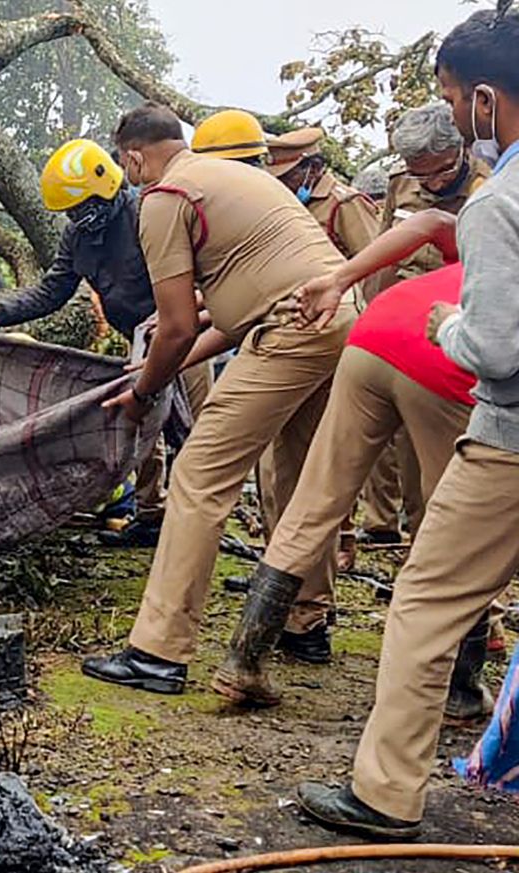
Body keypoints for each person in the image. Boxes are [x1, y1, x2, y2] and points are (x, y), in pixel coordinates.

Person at [294, 8, 519, 838]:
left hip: (507, 442)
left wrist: (444, 327)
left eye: (456, 99)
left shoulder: (500, 204)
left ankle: (385, 793)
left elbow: (496, 348)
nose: (458, 115)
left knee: (425, 600)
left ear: (487, 101)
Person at [80, 103, 355, 694]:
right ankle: (304, 621)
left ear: (132, 156)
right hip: (338, 319)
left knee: (199, 477)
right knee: (298, 473)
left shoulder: (165, 197)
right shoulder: (238, 179)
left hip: (291, 328)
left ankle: (158, 651)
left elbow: (175, 327)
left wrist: (143, 391)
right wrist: (145, 373)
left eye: (127, 167)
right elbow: (231, 316)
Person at [212, 211, 492, 722]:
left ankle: (243, 660)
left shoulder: (491, 228)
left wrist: (342, 279)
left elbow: (429, 222)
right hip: (444, 354)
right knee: (459, 530)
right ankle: (459, 689)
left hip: (374, 332)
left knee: (315, 500)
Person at [0, 139, 212, 547]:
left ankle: (200, 520)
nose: (81, 217)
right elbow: (53, 290)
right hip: (136, 342)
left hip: (186, 332)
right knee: (143, 423)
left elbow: (196, 272)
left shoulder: (147, 214)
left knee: (196, 429)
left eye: (85, 207)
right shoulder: (78, 238)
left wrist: (188, 316)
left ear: (108, 186)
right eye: (73, 212)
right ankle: (152, 514)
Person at [357, 104, 494, 551]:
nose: (432, 185)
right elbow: (385, 253)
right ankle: (403, 537)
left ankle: (441, 552)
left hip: (457, 329)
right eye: (422, 176)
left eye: (440, 173)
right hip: (403, 328)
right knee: (397, 443)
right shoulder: (402, 185)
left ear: (460, 149)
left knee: (445, 456)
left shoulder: (491, 182)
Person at [266, 126, 382, 572]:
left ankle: (338, 549)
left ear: (313, 168)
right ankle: (278, 565)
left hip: (339, 341)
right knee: (280, 467)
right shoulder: (278, 205)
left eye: (290, 176)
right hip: (289, 340)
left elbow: (374, 267)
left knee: (326, 456)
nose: (283, 185)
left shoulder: (345, 205)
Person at [267, 127, 380, 259]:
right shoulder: (285, 201)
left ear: (314, 169)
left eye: (286, 178)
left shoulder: (345, 203)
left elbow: (374, 259)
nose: (280, 184)